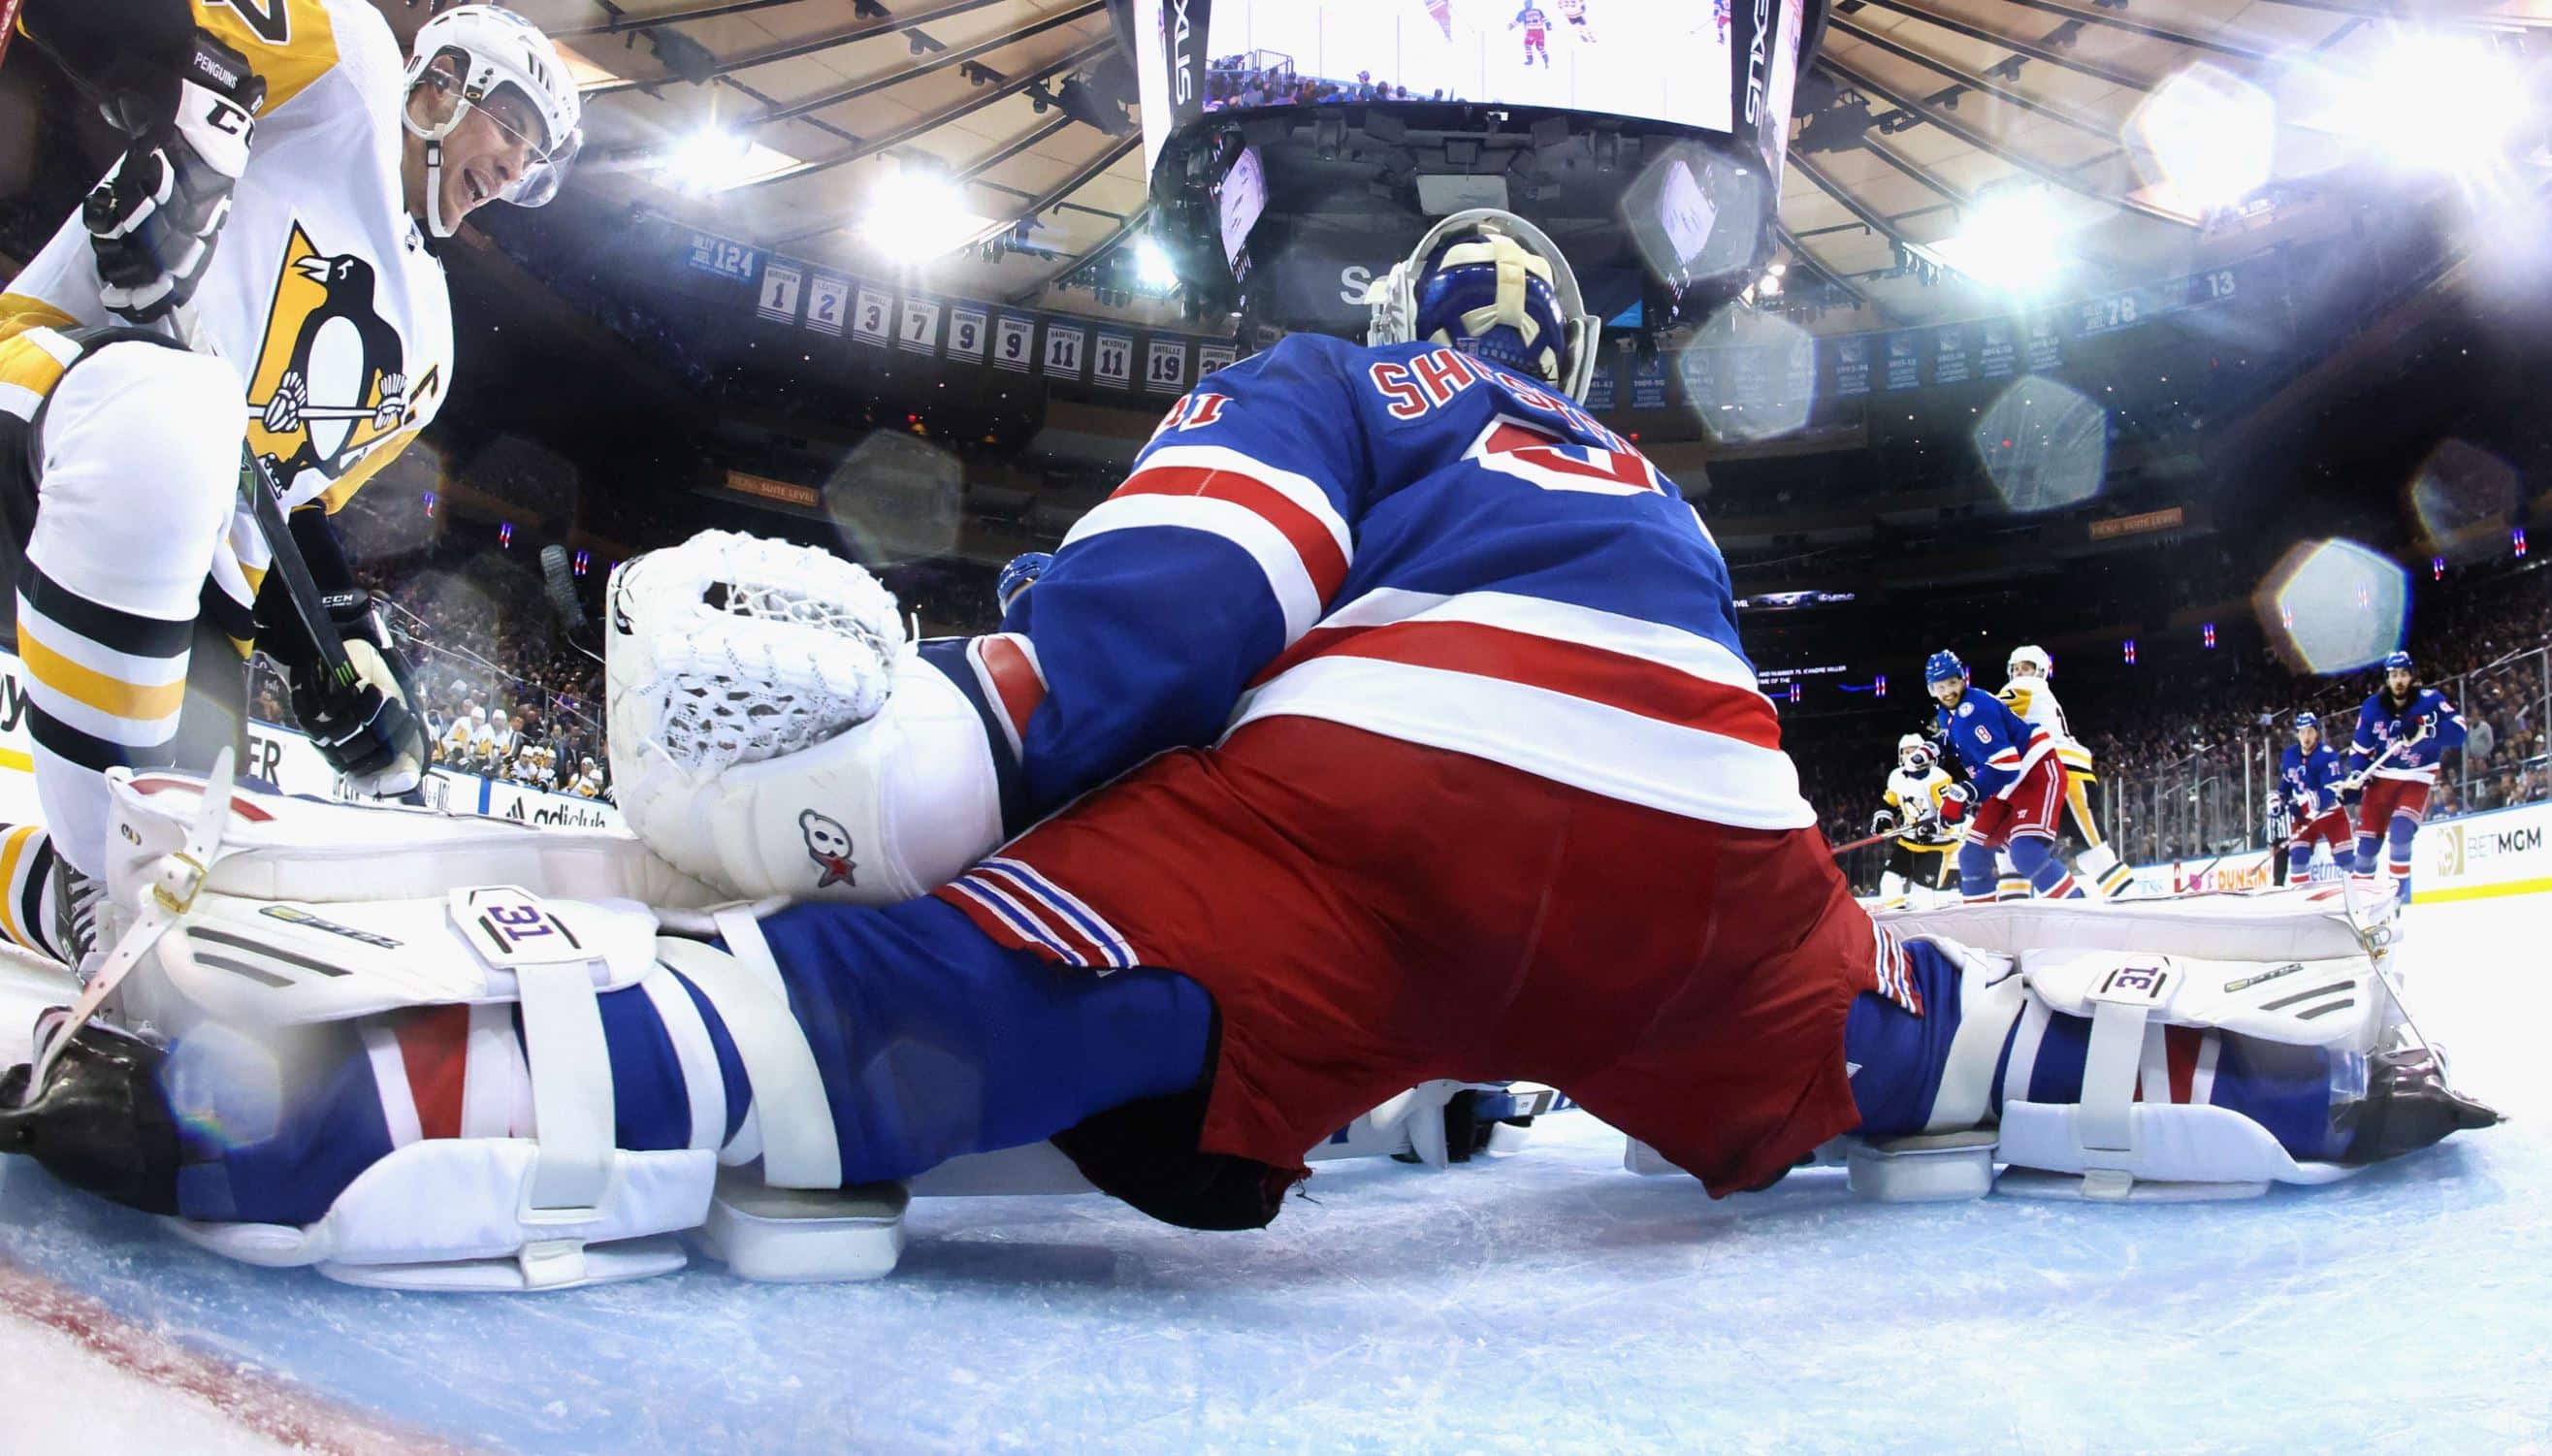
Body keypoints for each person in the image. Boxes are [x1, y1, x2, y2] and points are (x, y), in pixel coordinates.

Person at [0, 212, 2498, 1288]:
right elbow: (1630, 772)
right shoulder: (1641, 485)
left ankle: (343, 1093)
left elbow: (1174, 602)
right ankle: (2240, 1072)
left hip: (1379, 816)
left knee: (916, 997)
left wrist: (948, 759)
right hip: (1703, 835)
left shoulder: (1337, 379)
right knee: (1872, 1029)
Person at [0, 0, 581, 965]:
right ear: (440, 84)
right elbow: (117, 22)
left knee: (201, 896)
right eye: (512, 124)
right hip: (44, 424)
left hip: (184, 587)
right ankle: (106, 891)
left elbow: (287, 506)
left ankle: (66, 896)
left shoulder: (429, 348)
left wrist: (342, 647)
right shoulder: (347, 63)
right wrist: (173, 141)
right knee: (176, 413)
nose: (516, 165)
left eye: (533, 153)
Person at [1925, 649, 2084, 902]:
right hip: (2002, 786)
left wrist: (1965, 793)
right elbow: (1953, 737)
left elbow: (2007, 763)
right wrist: (1931, 748)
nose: (1947, 692)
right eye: (1939, 687)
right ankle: (1984, 931)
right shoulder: (1948, 713)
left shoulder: (1978, 707)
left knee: (2026, 853)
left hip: (2033, 773)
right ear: (1932, 690)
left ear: (1962, 680)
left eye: (1952, 683)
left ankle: (2079, 911)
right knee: (1972, 856)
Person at [1998, 645, 2132, 897]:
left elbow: (1987, 717)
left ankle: (2130, 901)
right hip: (2038, 776)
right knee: (2012, 846)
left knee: (2089, 849)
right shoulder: (2039, 693)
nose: (2018, 673)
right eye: (2015, 669)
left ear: (2038, 671)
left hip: (2061, 771)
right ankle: (2121, 897)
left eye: (2024, 668)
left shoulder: (2028, 687)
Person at [2345, 651, 2466, 907]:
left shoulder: (2431, 700)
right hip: (2381, 779)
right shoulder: (2372, 708)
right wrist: (2357, 778)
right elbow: (2360, 752)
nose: (2399, 680)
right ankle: (2360, 905)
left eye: (2403, 674)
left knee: (2400, 832)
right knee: (2366, 848)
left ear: (2412, 676)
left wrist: (2427, 729)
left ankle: (2396, 903)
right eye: (2393, 675)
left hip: (2417, 777)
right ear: (2387, 679)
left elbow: (2460, 732)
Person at [1873, 733, 1959, 910]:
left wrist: (1932, 827)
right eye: (1906, 752)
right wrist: (1883, 818)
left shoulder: (1938, 777)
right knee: (1889, 883)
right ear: (1900, 755)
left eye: (1916, 751)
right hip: (1909, 841)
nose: (1911, 755)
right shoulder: (1896, 776)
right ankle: (1896, 923)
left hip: (1938, 845)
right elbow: (1889, 802)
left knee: (1921, 894)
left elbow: (1951, 813)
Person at [2280, 711, 2350, 886]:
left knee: (2345, 859)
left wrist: (2303, 804)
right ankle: (2301, 903)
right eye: (2302, 732)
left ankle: (2360, 895)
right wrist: (2280, 798)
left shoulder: (2327, 755)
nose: (2306, 736)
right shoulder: (2289, 755)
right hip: (2305, 818)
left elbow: (2330, 792)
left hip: (2330, 814)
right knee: (2298, 857)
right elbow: (2287, 781)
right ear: (2297, 734)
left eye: (2310, 731)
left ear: (2317, 732)